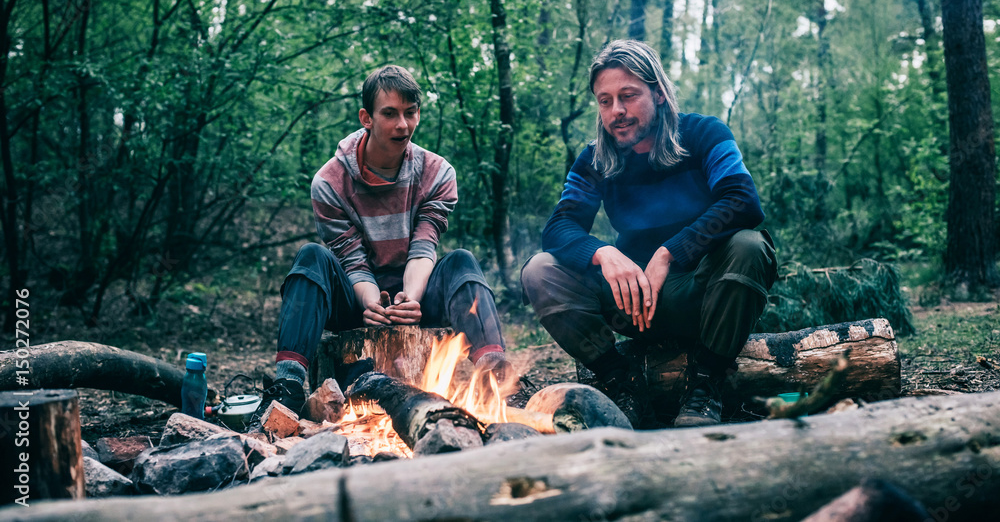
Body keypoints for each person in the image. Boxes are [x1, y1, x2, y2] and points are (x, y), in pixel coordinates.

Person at [521, 40, 776, 427]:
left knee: (749, 246)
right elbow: (559, 227)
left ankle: (705, 384)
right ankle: (623, 382)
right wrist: (603, 254)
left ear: (658, 93)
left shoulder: (704, 133)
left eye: (628, 96)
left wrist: (668, 252)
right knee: (540, 269)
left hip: (701, 293)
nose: (616, 111)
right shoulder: (595, 159)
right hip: (633, 305)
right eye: (605, 101)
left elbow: (742, 200)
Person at [261, 65, 510, 415]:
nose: (402, 125)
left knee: (462, 263)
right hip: (355, 298)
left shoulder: (438, 173)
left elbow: (425, 245)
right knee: (311, 258)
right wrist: (371, 303)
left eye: (410, 113)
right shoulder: (329, 182)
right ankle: (287, 385)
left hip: (416, 293)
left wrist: (411, 299)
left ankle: (495, 379)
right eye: (390, 114)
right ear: (367, 117)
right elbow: (351, 260)